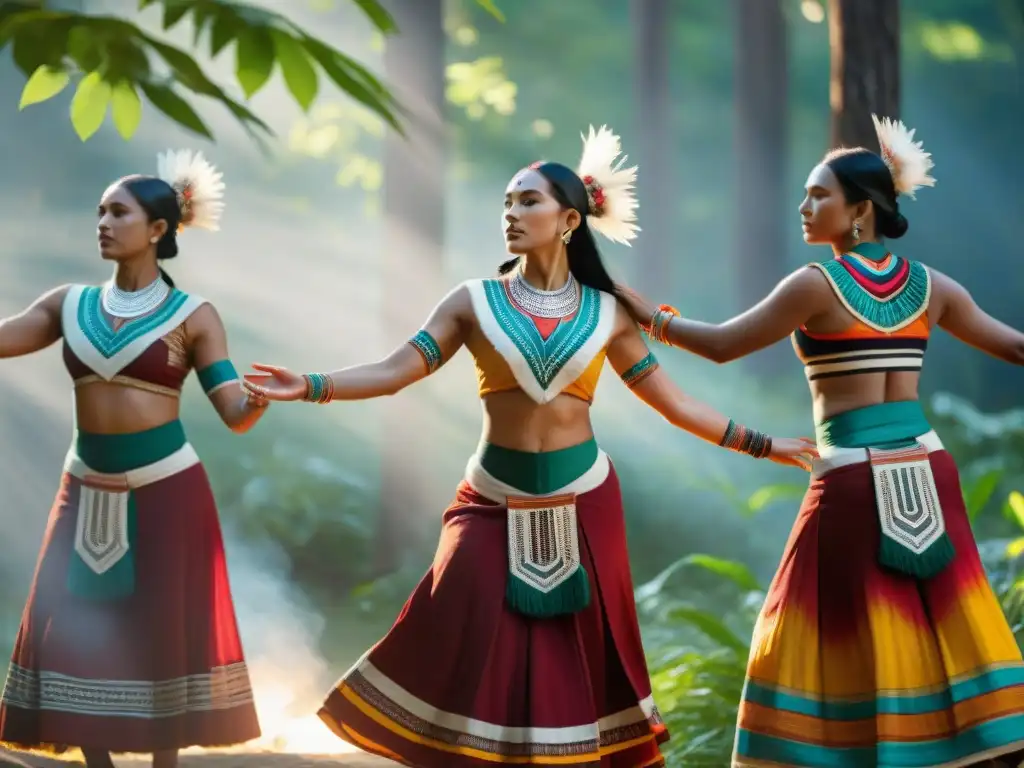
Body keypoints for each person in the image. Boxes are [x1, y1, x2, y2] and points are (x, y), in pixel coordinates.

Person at [243, 125, 817, 768]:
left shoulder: (609, 313)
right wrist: (312, 384)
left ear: (569, 219)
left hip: (586, 502)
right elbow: (396, 369)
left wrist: (765, 446)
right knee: (461, 629)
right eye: (507, 203)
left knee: (577, 662)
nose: (511, 214)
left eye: (527, 202)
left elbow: (677, 405)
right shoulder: (473, 302)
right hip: (490, 501)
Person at [615, 115, 1024, 767]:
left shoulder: (814, 285)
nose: (804, 206)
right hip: (928, 469)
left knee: (812, 621)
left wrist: (646, 315)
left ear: (860, 210)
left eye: (819, 195)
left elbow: (722, 345)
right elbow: (1016, 347)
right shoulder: (934, 287)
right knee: (936, 618)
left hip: (853, 477)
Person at [0, 151, 266, 768]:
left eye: (118, 211)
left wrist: (263, 395)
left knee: (160, 627)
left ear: (157, 230)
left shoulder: (194, 316)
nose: (102, 221)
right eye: (99, 211)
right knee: (73, 627)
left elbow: (233, 408)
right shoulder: (67, 304)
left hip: (167, 491)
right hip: (83, 487)